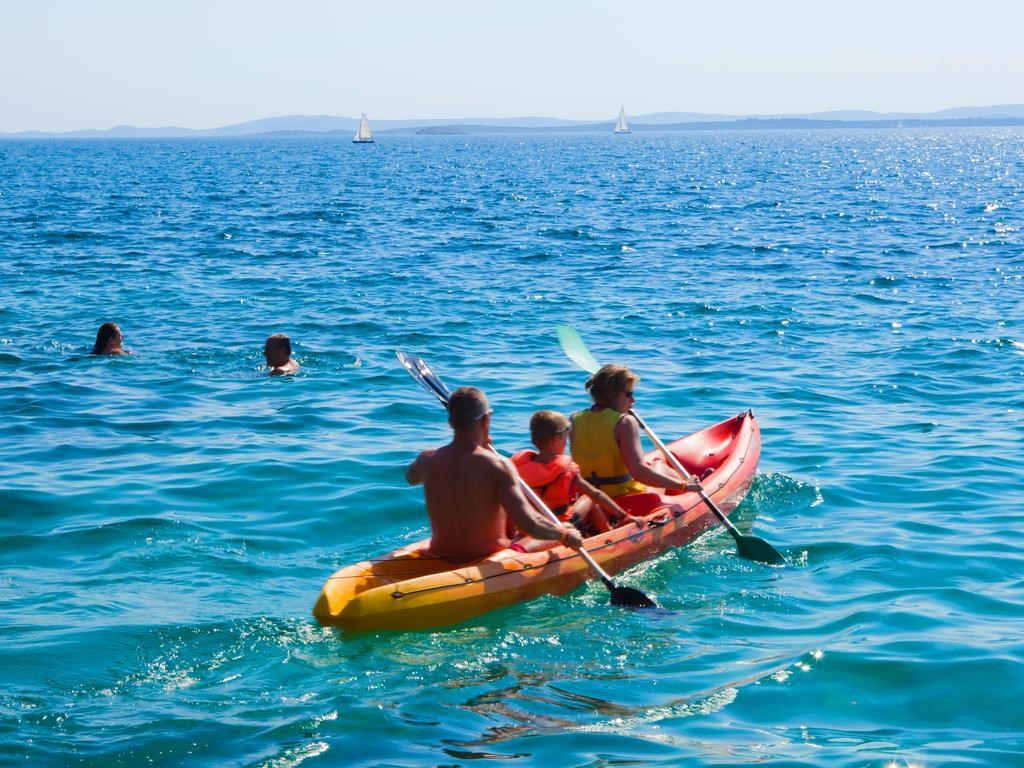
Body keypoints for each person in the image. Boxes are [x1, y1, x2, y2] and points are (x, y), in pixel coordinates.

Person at [405, 387, 584, 560]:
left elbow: (411, 478)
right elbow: (528, 523)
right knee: (561, 527)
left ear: (451, 422)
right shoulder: (498, 465)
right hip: (488, 557)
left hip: (441, 552)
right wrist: (564, 534)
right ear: (486, 420)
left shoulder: (427, 459)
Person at [571, 364, 702, 498]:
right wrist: (684, 486)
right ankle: (691, 485)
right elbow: (639, 473)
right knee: (659, 465)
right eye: (629, 394)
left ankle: (689, 483)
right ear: (612, 395)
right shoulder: (625, 422)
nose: (633, 400)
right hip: (626, 497)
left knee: (654, 466)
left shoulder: (575, 419)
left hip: (590, 496)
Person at [510, 410, 643, 541]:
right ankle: (608, 534)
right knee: (588, 498)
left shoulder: (519, 466)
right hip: (560, 524)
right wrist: (623, 515)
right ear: (557, 438)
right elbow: (596, 494)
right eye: (566, 435)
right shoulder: (567, 469)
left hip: (531, 523)